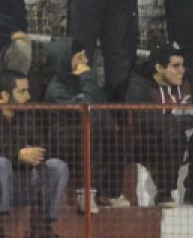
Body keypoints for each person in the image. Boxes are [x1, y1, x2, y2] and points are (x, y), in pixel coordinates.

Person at [43, 38, 129, 213]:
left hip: (87, 131)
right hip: (61, 138)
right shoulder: (56, 88)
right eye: (80, 58)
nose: (86, 62)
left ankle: (110, 192)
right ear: (66, 60)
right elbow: (82, 110)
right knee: (95, 122)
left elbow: (101, 104)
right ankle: (85, 192)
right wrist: (88, 77)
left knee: (112, 128)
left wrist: (87, 81)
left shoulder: (82, 81)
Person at [0, 71, 68, 238]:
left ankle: (43, 224)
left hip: (26, 179)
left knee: (58, 166)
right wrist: (18, 154)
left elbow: (44, 146)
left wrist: (35, 154)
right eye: (21, 91)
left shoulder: (29, 113)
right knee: (0, 163)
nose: (27, 96)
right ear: (5, 95)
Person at [125, 41, 193, 207]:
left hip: (180, 138)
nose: (182, 70)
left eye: (183, 65)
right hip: (148, 144)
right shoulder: (139, 86)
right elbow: (152, 121)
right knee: (173, 132)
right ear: (159, 68)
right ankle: (164, 192)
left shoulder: (186, 79)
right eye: (176, 66)